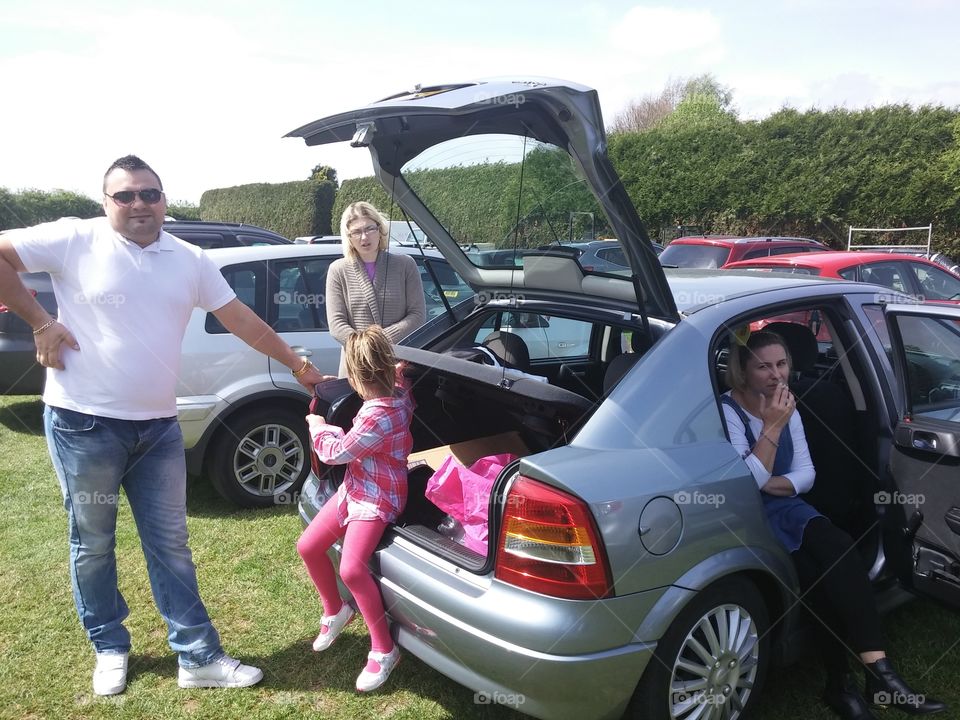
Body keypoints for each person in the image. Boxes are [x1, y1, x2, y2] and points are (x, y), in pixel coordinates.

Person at [0, 155, 327, 696]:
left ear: (164, 199)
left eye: (149, 194)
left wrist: (298, 365)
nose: (138, 205)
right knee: (94, 543)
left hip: (158, 430)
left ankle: (197, 656)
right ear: (105, 202)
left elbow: (240, 318)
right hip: (83, 424)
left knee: (171, 544)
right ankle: (109, 646)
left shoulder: (190, 259)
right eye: (124, 195)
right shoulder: (73, 238)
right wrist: (41, 322)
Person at [721, 330, 945, 720]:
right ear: (743, 371)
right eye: (764, 367)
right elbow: (744, 482)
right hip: (743, 516)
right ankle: (855, 683)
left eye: (782, 364)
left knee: (836, 555)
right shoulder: (728, 411)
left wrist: (769, 480)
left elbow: (806, 474)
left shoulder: (789, 406)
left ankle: (869, 677)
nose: (777, 375)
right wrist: (772, 426)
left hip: (787, 509)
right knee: (821, 571)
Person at [297, 325, 413, 692]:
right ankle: (336, 610)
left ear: (359, 377)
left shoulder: (377, 413)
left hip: (378, 497)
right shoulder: (398, 393)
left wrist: (318, 426)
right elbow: (398, 379)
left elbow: (336, 452)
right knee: (308, 546)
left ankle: (384, 649)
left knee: (351, 568)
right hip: (357, 487)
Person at [326, 202, 425, 377]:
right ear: (348, 237)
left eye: (370, 229)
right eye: (356, 232)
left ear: (380, 230)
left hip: (399, 365)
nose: (364, 237)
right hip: (356, 369)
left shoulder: (405, 264)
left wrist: (381, 342)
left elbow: (417, 315)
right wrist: (367, 348)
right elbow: (336, 325)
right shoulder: (338, 270)